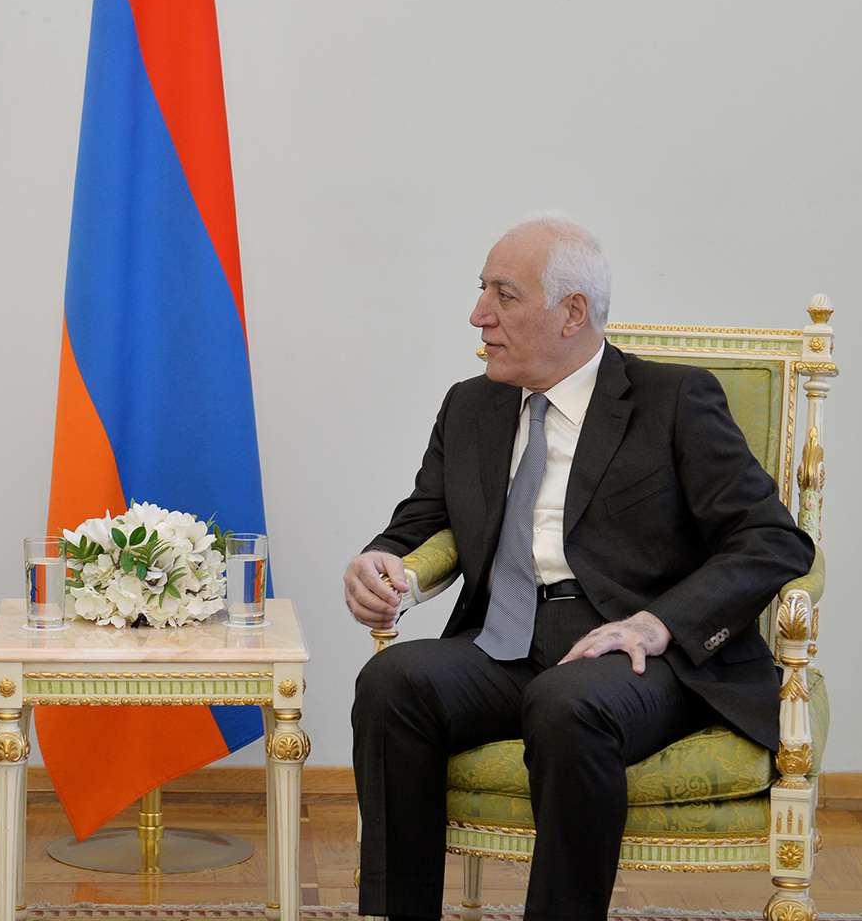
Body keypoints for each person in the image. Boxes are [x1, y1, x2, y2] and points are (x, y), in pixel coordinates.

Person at [345, 215, 814, 921]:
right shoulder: (470, 405)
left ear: (572, 313)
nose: (478, 315)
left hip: (637, 657)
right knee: (391, 682)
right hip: (503, 642)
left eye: (503, 295)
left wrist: (658, 624)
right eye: (482, 290)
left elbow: (771, 539)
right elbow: (419, 522)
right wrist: (379, 560)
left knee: (567, 703)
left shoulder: (673, 401)